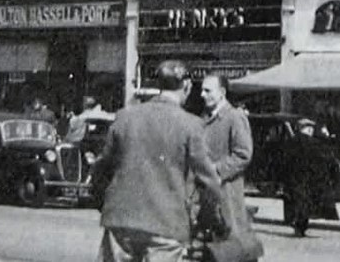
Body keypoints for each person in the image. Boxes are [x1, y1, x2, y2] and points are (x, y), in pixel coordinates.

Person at [92, 60, 228, 262]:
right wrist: (214, 219)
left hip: (120, 221)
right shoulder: (191, 125)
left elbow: (101, 169)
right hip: (166, 225)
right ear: (187, 86)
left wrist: (106, 205)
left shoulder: (125, 117)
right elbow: (208, 181)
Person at [200, 74, 263, 261]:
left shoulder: (234, 117)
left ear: (222, 92)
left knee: (231, 247)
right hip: (206, 197)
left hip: (227, 195)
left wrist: (216, 170)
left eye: (208, 90)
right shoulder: (204, 118)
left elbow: (243, 154)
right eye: (202, 90)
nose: (202, 95)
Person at [283, 118, 339, 237]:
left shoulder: (291, 142)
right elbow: (327, 160)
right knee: (306, 204)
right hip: (311, 179)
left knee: (297, 203)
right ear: (308, 129)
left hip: (295, 178)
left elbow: (285, 161)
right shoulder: (314, 143)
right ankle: (301, 227)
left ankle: (297, 226)